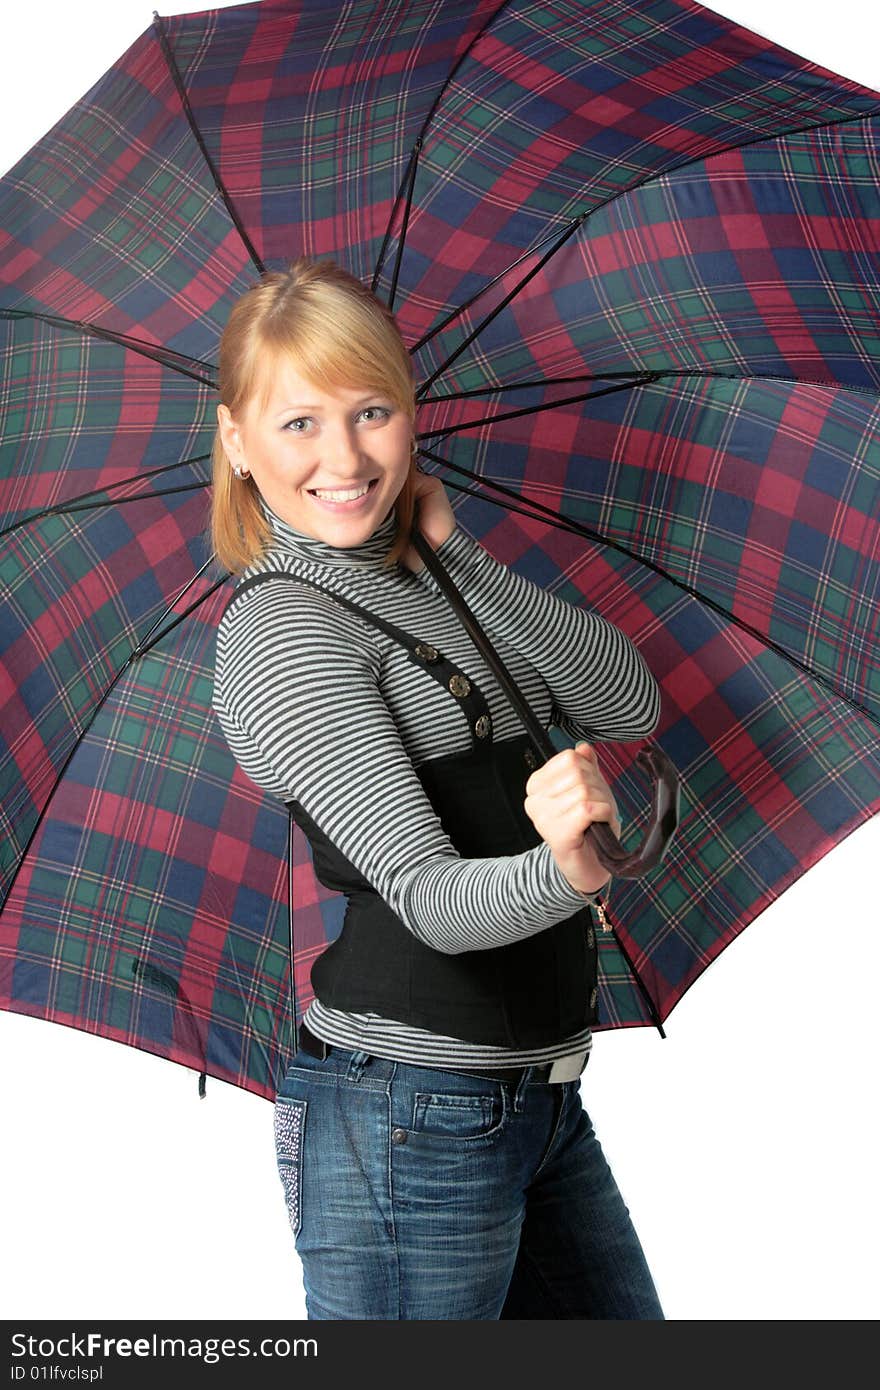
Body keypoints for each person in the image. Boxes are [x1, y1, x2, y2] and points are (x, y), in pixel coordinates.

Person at [210, 256, 665, 1320]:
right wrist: (564, 867)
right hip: (409, 1115)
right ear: (236, 441)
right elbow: (429, 901)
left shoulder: (422, 573)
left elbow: (627, 700)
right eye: (299, 424)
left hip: (536, 1099)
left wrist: (459, 557)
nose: (345, 457)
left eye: (371, 411)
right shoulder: (283, 632)